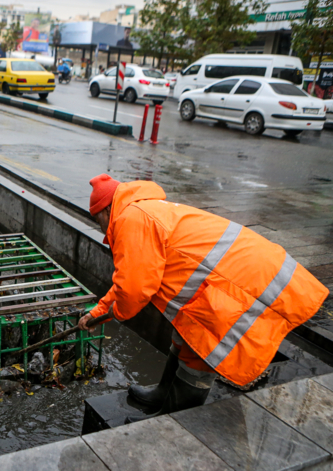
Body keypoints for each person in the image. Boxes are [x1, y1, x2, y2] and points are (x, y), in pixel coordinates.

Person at [79, 174, 328, 421]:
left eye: (97, 218)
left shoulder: (131, 219)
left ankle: (172, 423)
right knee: (184, 335)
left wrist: (112, 314)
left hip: (239, 283)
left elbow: (134, 289)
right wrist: (97, 313)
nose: (100, 227)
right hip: (230, 276)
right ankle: (162, 394)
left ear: (106, 209)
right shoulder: (143, 210)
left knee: (200, 352)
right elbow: (128, 279)